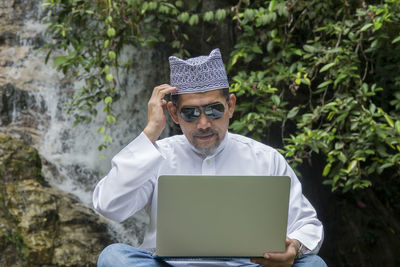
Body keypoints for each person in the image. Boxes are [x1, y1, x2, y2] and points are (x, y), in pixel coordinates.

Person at [93, 48, 327, 267]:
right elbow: (109, 205)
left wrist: (294, 247)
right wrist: (151, 131)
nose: (203, 123)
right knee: (114, 257)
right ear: (174, 113)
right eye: (191, 113)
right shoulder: (155, 156)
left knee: (313, 264)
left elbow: (307, 224)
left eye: (214, 110)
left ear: (231, 106)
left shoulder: (265, 159)